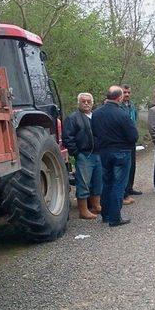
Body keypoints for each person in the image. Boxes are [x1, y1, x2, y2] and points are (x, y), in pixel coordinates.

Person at [91, 86, 138, 227]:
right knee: (119, 184)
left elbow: (94, 132)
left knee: (107, 183)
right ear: (119, 98)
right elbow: (133, 136)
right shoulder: (122, 114)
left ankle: (105, 215)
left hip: (104, 152)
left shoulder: (96, 113)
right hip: (121, 152)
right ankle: (115, 218)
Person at [62, 92, 102, 220]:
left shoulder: (96, 117)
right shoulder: (72, 118)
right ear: (78, 102)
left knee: (97, 182)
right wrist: (77, 153)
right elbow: (67, 138)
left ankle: (96, 206)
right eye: (83, 101)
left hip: (98, 154)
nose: (86, 103)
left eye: (88, 101)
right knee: (83, 183)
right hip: (84, 155)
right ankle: (83, 211)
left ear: (92, 103)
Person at [120, 84, 142, 205]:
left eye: (128, 92)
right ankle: (123, 191)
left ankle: (130, 187)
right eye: (124, 92)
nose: (127, 94)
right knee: (124, 166)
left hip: (131, 140)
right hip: (122, 141)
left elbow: (135, 120)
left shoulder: (132, 106)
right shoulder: (119, 106)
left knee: (132, 165)